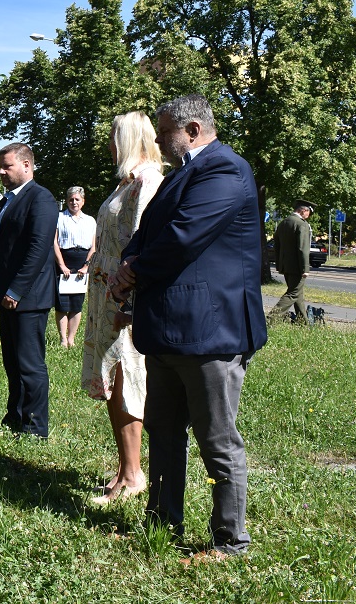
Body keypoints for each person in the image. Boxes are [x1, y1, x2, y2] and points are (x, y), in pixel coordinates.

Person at [108, 94, 267, 558]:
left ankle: (230, 540)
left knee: (216, 439)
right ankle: (162, 522)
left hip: (209, 333)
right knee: (164, 431)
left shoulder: (225, 171)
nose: (157, 139)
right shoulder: (184, 175)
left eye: (165, 131)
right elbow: (148, 232)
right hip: (169, 330)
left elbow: (182, 238)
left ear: (193, 129)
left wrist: (132, 272)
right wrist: (129, 260)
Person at [83, 112, 163, 504]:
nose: (109, 145)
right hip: (106, 295)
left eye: (115, 137)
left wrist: (126, 303)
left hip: (123, 299)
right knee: (113, 382)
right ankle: (124, 470)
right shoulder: (125, 183)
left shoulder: (148, 182)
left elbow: (143, 247)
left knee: (127, 380)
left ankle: (133, 475)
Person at [0, 143, 58, 438]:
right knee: (12, 362)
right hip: (7, 296)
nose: (0, 172)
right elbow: (0, 250)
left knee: (30, 364)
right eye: (0, 166)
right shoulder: (8, 200)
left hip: (29, 297)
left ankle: (35, 427)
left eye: (6, 166)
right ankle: (15, 416)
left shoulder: (41, 199)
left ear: (27, 165)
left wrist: (16, 290)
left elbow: (38, 250)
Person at [54, 186, 96, 348]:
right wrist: (62, 265)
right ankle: (63, 339)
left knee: (76, 304)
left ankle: (72, 338)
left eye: (77, 199)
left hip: (82, 265)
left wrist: (86, 266)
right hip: (63, 263)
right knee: (62, 304)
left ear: (83, 201)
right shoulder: (59, 218)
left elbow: (94, 246)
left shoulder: (90, 220)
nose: (74, 202)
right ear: (67, 201)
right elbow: (54, 243)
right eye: (71, 199)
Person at [267, 200, 314, 325]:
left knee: (298, 293)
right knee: (293, 294)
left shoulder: (284, 222)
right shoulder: (301, 224)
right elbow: (302, 248)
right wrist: (305, 268)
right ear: (303, 210)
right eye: (309, 212)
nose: (309, 215)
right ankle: (270, 319)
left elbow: (277, 244)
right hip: (297, 267)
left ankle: (303, 323)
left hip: (286, 265)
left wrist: (279, 263)